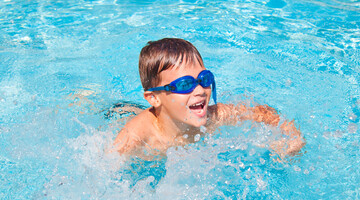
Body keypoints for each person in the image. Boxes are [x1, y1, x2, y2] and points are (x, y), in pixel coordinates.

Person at [113, 38, 305, 159]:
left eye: (204, 79)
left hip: (164, 113)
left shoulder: (215, 116)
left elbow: (262, 112)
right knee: (122, 112)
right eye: (185, 84)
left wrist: (292, 136)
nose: (199, 90)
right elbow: (104, 168)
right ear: (153, 97)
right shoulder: (137, 136)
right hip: (119, 116)